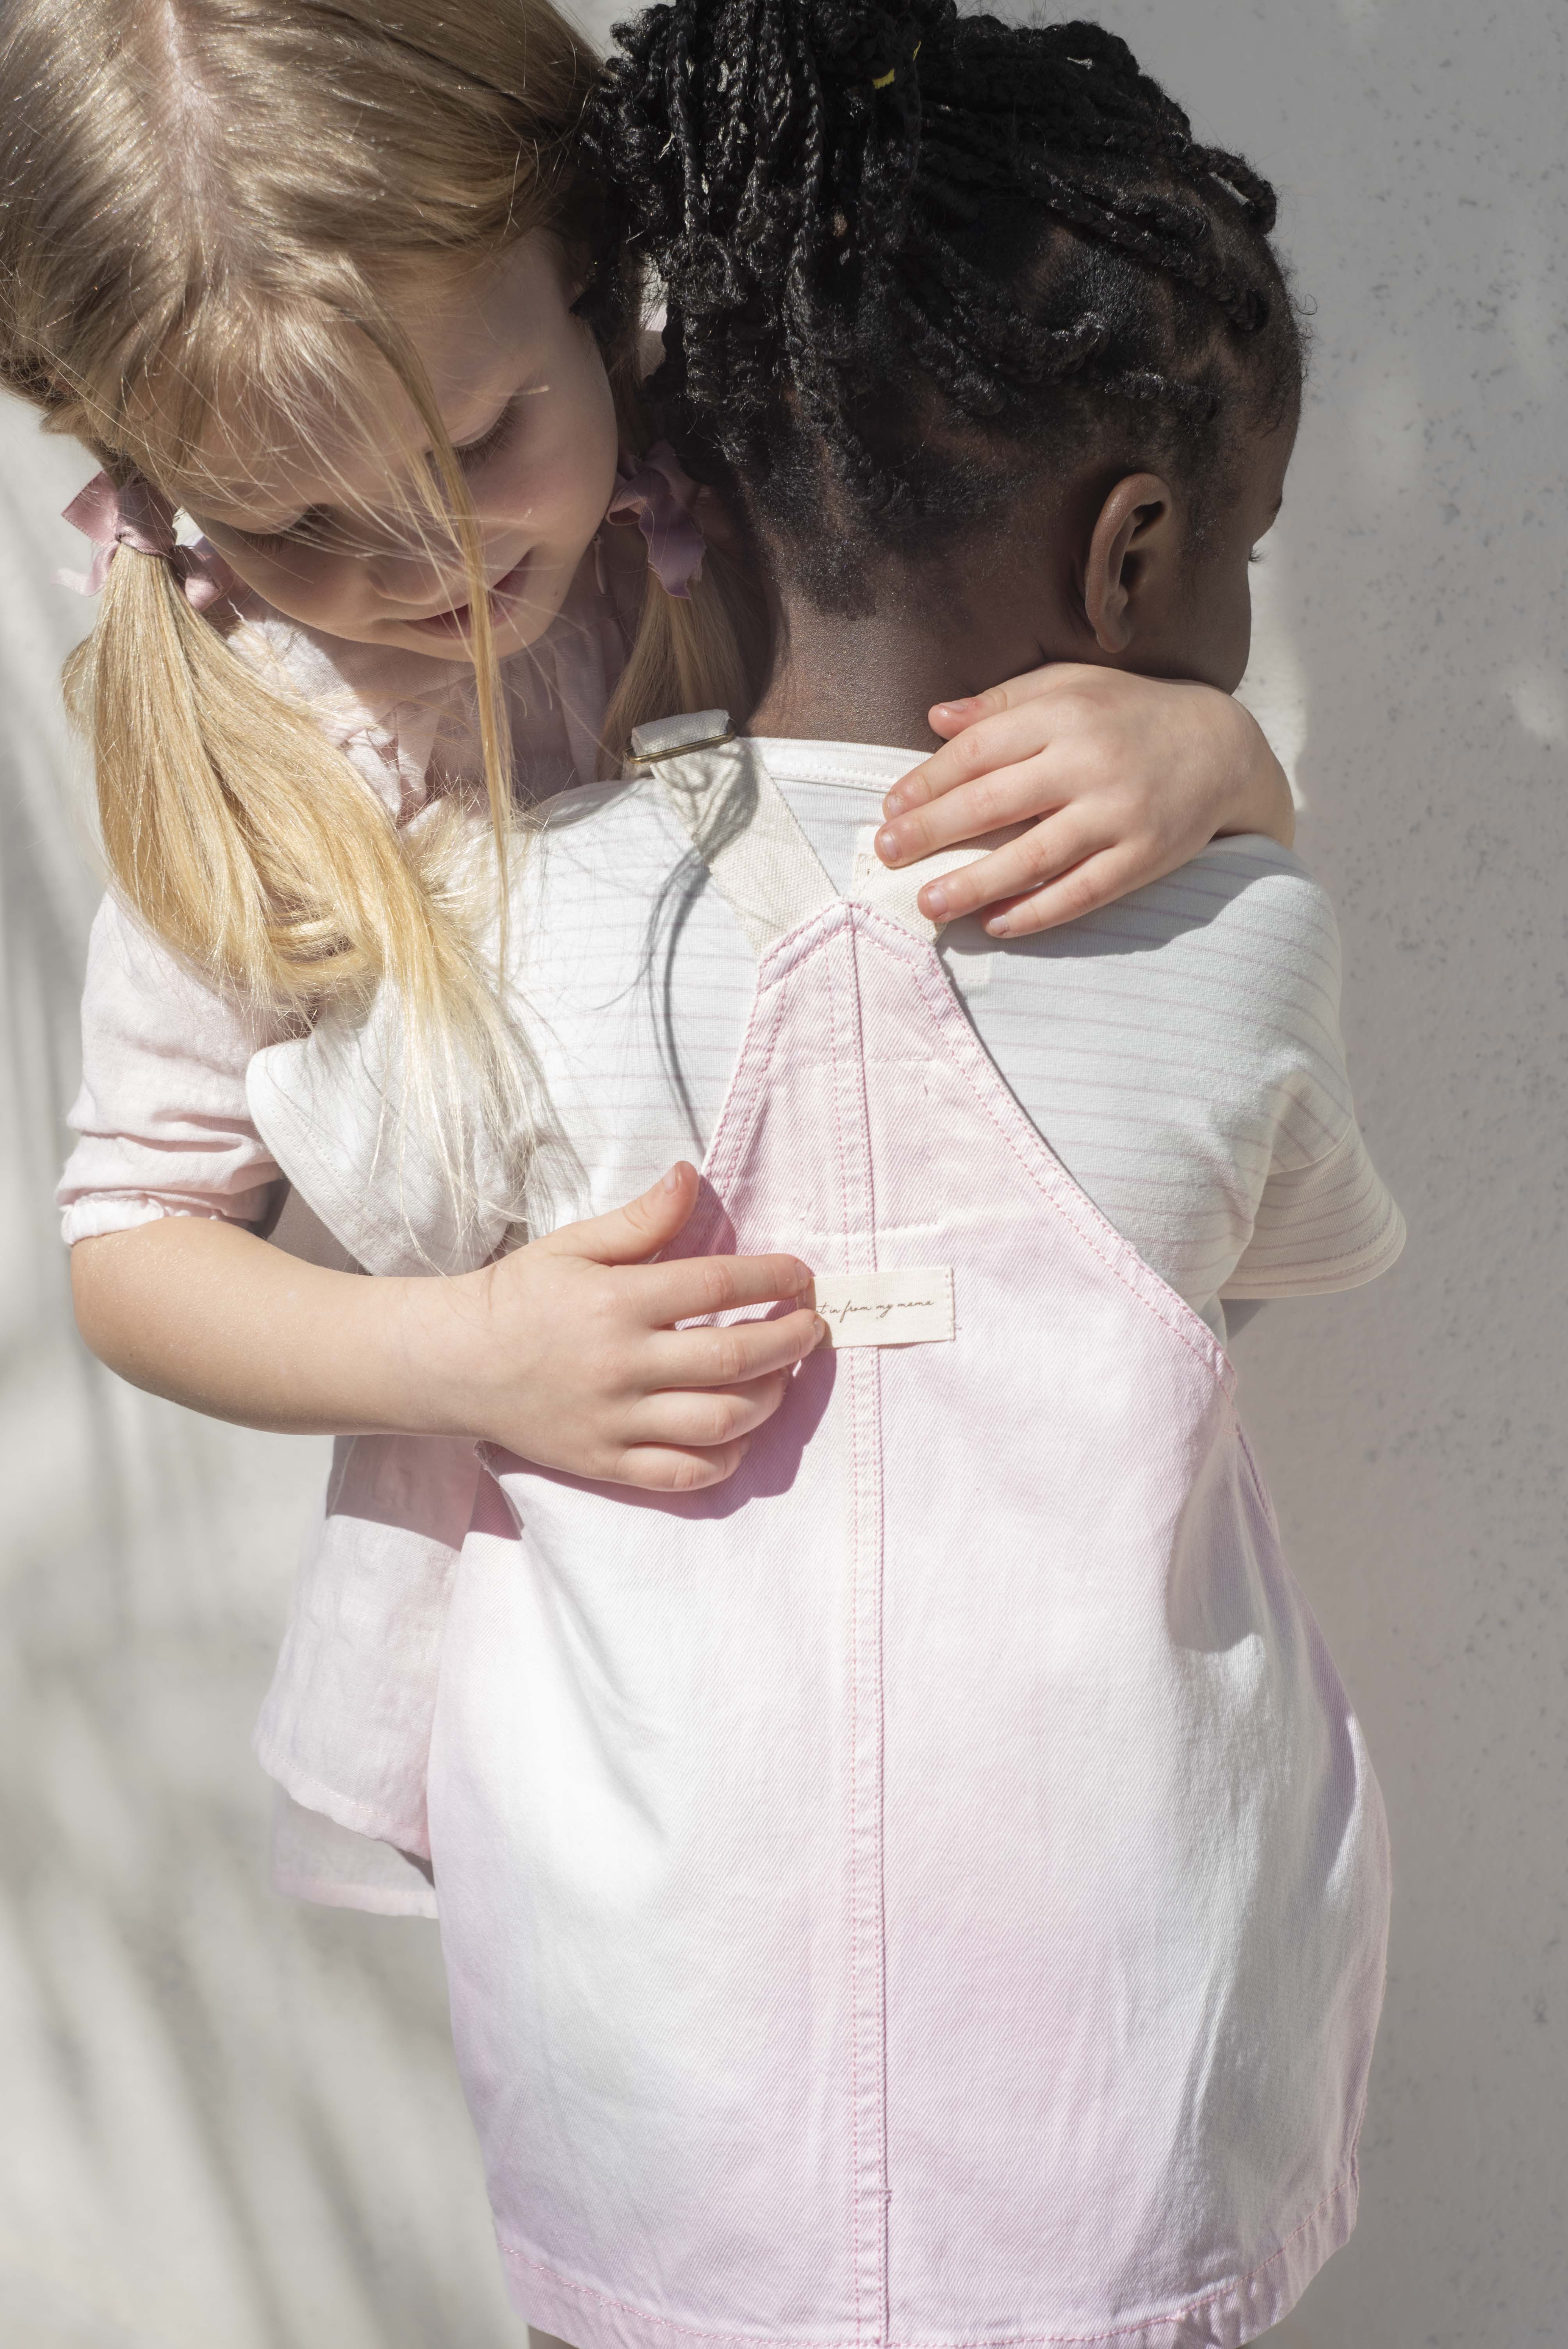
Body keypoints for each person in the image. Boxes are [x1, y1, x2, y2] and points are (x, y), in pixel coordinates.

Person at [244, 1, 1405, 2339]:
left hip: (648, 2075)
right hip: (1128, 2069)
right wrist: (1239, 778)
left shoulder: (486, 923)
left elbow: (311, 1188)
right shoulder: (1241, 938)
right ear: (1141, 549)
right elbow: (1281, 1239)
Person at [0, 0, 1294, 1907]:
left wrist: (1212, 754)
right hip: (562, 1619)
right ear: (159, 475)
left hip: (925, 1515)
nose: (425, 556)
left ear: (592, 274)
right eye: (297, 523)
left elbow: (1047, 879)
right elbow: (133, 1246)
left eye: (478, 436)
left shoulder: (767, 517)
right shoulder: (274, 751)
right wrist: (466, 1352)